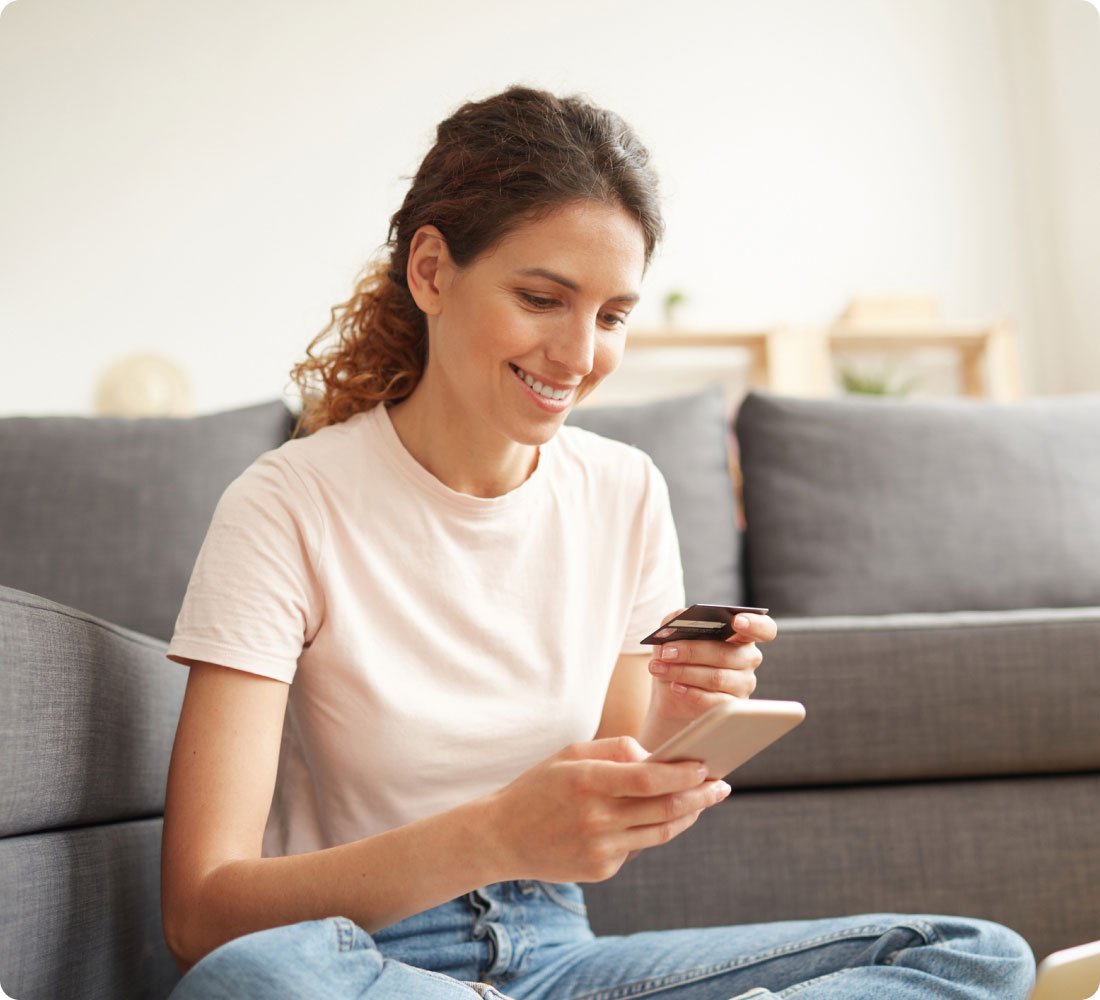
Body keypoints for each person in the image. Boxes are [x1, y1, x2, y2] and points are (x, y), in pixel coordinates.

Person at [160, 85, 1035, 1000]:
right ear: (430, 272)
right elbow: (198, 916)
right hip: (364, 961)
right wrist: (492, 833)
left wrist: (674, 721)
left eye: (613, 315)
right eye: (543, 298)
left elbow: (601, 808)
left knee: (974, 956)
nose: (580, 355)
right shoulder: (286, 504)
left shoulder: (624, 489)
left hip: (558, 953)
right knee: (254, 982)